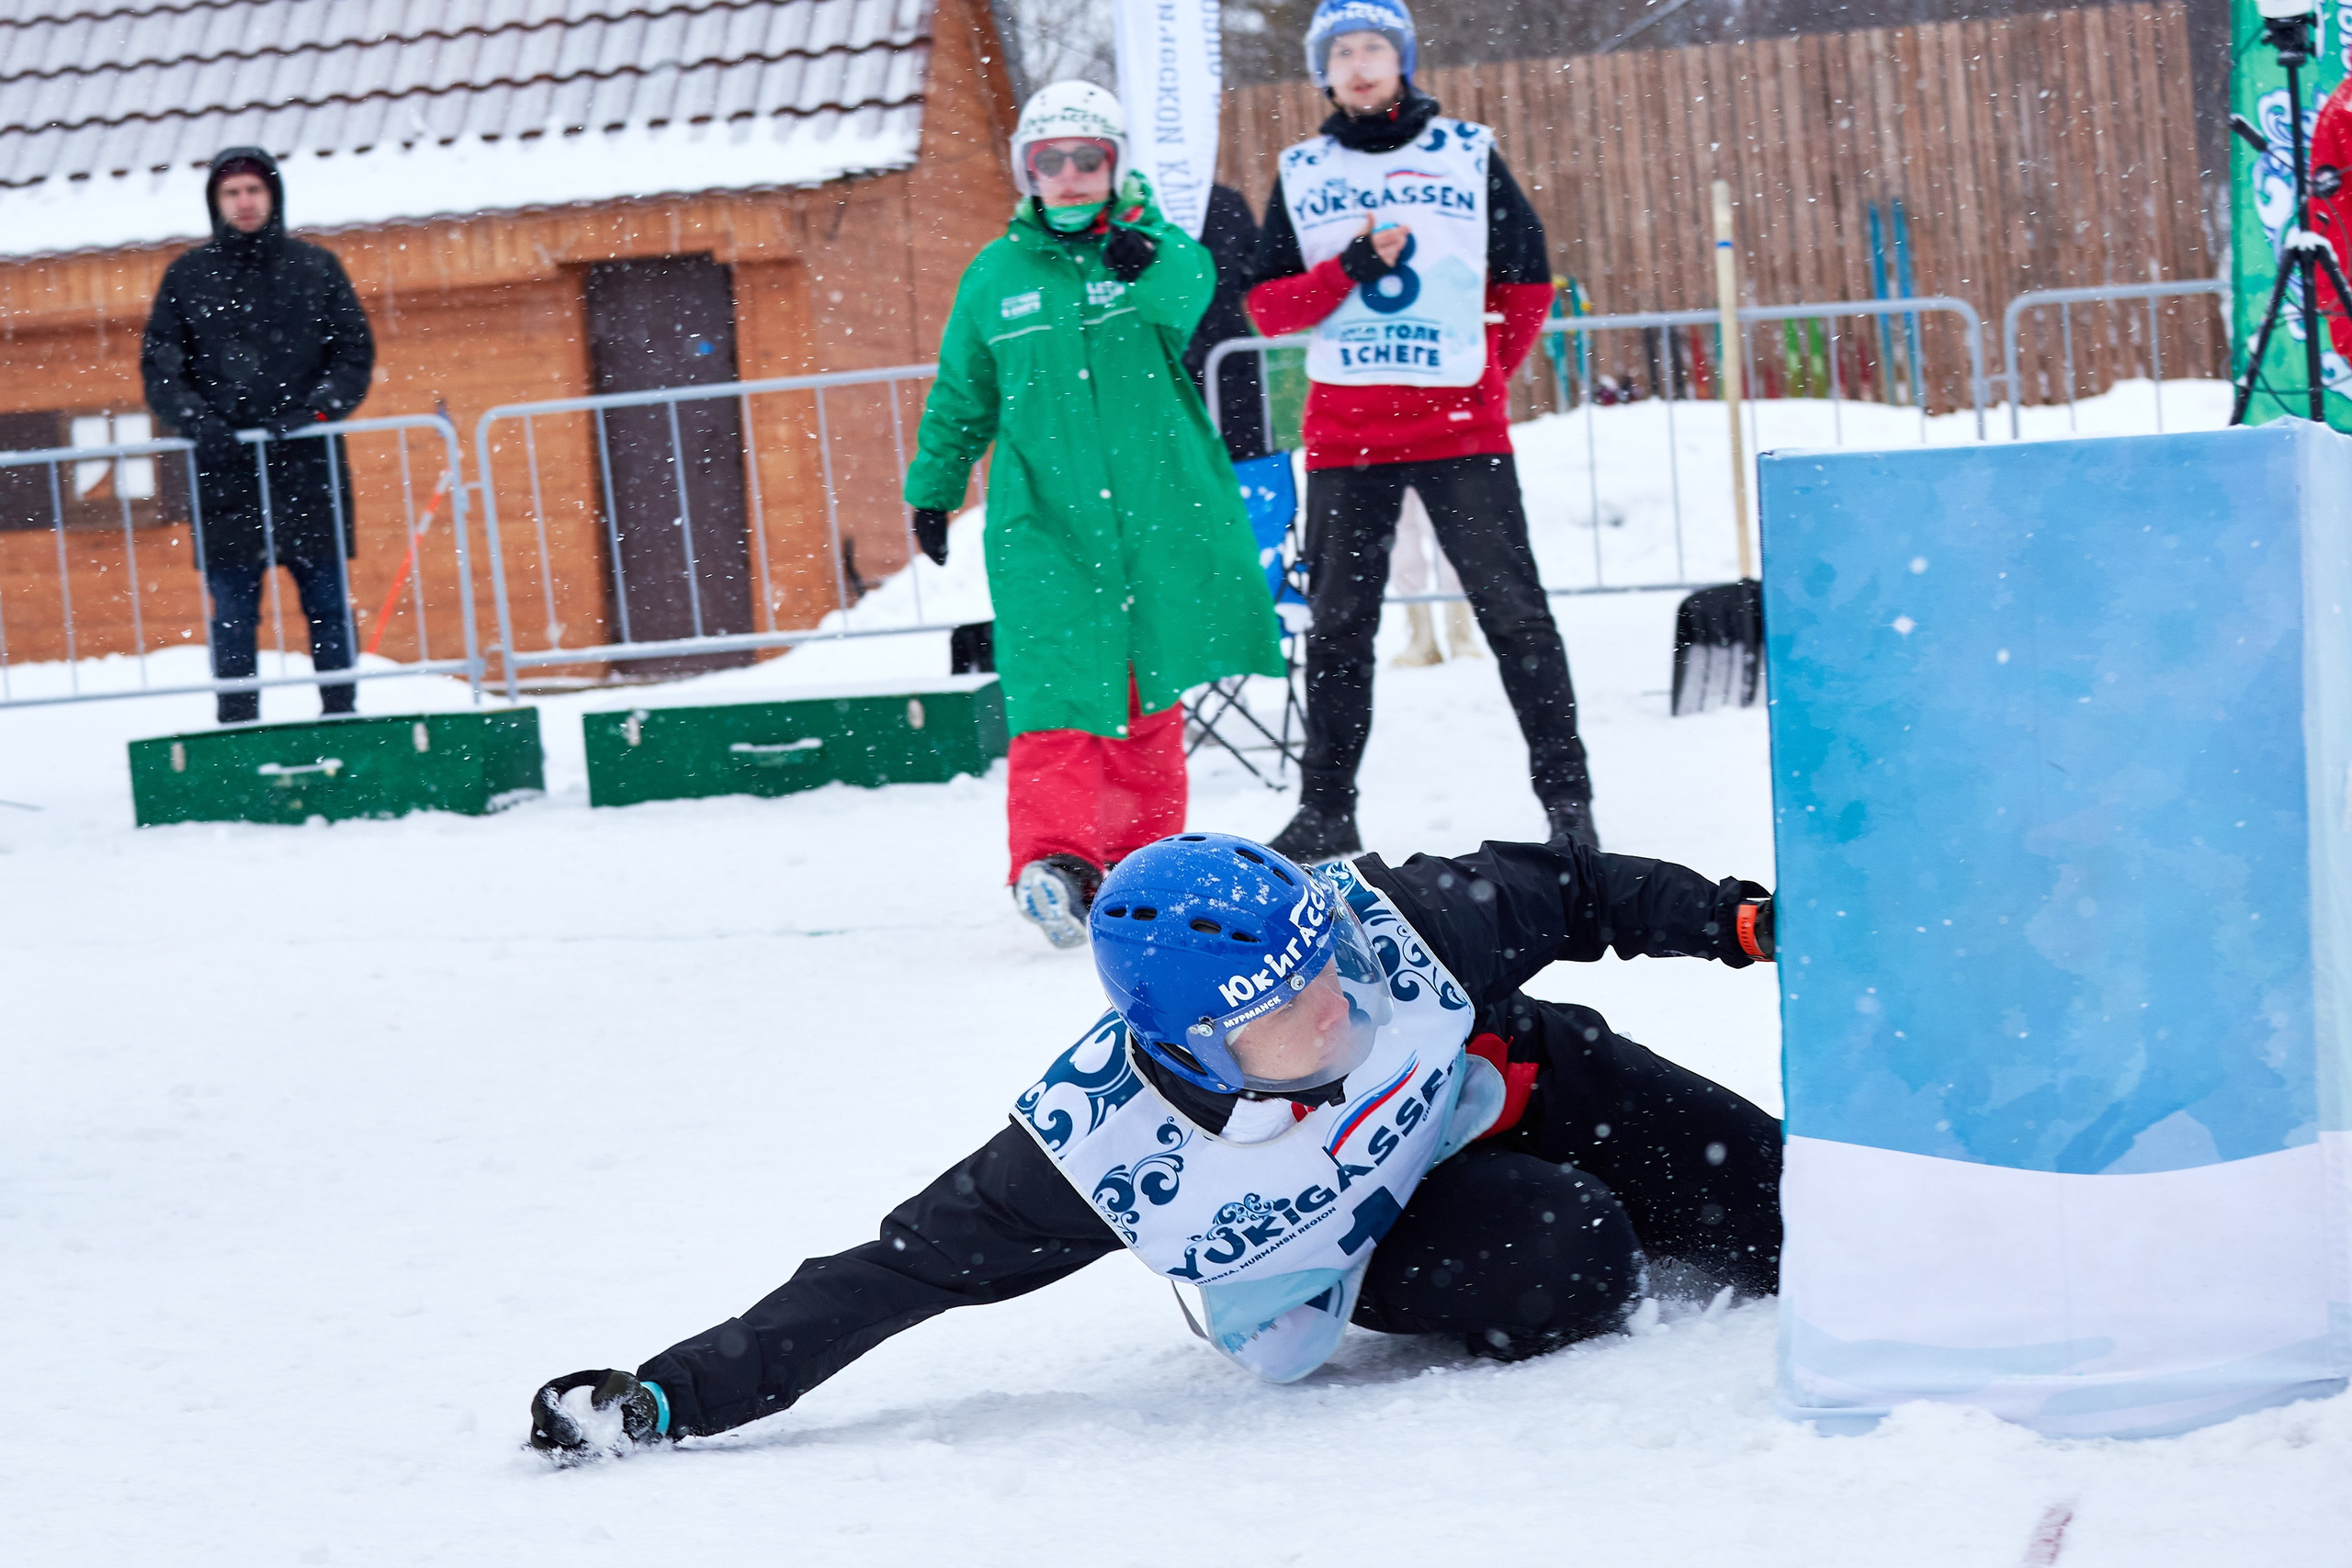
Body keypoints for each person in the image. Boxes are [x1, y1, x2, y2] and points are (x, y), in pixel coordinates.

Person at [525, 829, 1781, 1459]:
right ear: (1194, 1045)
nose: (1337, 1000)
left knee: (1790, 1198)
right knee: (1573, 1248)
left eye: (1328, 969)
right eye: (1288, 1009)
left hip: (1510, 1084)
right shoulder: (1104, 1144)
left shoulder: (1390, 922)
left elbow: (1570, 892)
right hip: (1368, 1228)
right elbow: (892, 1271)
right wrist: (670, 1392)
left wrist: (1732, 918)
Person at [903, 84, 1284, 948]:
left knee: (1148, 694)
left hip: (1154, 513)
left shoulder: (1152, 249)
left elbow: (1192, 290)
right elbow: (963, 392)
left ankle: (1145, 863)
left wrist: (1139, 258)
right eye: (1051, 161)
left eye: (1088, 159)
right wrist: (933, 485)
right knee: (1054, 694)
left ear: (1114, 166)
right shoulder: (995, 275)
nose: (1070, 177)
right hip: (1045, 522)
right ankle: (1056, 864)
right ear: (1027, 172)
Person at [1246, 0, 1598, 861]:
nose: (1359, 65)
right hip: (1346, 434)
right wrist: (1349, 271)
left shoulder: (1467, 153)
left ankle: (1569, 804)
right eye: (1342, 53)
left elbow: (1526, 285)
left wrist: (1482, 378)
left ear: (1401, 59)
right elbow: (1267, 305)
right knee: (1338, 628)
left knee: (1515, 615)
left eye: (1374, 48)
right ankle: (1327, 808)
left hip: (1459, 430)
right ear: (1322, 71)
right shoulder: (1302, 168)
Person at [141, 147, 375, 726]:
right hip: (225, 473)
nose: (244, 203)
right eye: (231, 193)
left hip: (308, 465)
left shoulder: (316, 269)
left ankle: (342, 717)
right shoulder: (188, 277)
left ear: (273, 196)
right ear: (215, 203)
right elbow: (161, 370)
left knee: (325, 605)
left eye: (253, 190)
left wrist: (316, 414)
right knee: (233, 612)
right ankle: (237, 728)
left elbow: (353, 356)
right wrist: (200, 423)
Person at [1182, 183, 1270, 464]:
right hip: (1223, 355)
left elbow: (1257, 270)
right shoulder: (1223, 200)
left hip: (1227, 358)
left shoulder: (1223, 201)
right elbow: (1255, 269)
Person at [1387, 489, 1480, 667]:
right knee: (1402, 538)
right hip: (1387, 465)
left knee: (1451, 530)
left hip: (1441, 466)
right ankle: (1421, 639)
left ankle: (1461, 636)